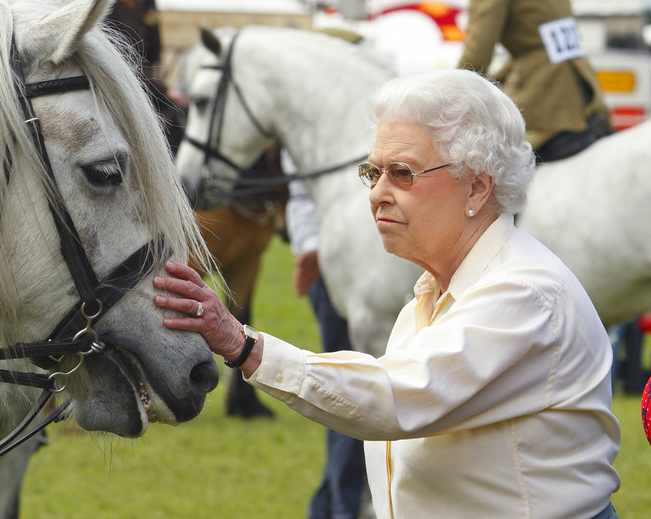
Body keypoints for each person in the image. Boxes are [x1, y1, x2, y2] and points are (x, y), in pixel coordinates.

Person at [154, 69, 621, 518]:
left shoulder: (523, 292)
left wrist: (244, 345)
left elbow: (392, 399)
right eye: (371, 172)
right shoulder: (433, 294)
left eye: (402, 173)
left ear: (477, 186)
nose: (376, 192)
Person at [450, 0, 612, 164]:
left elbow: (476, 58)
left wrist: (448, 96)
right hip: (582, 86)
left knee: (479, 162)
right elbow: (536, 44)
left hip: (543, 95)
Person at [282, 150, 369, 519]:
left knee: (355, 393)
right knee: (348, 392)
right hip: (330, 268)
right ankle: (339, 507)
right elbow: (301, 192)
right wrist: (312, 247)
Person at [96, 0, 186, 153]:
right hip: (120, 96)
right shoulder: (102, 5)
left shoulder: (134, 3)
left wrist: (151, 13)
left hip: (144, 90)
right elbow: (120, 65)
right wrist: (165, 92)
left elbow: (153, 55)